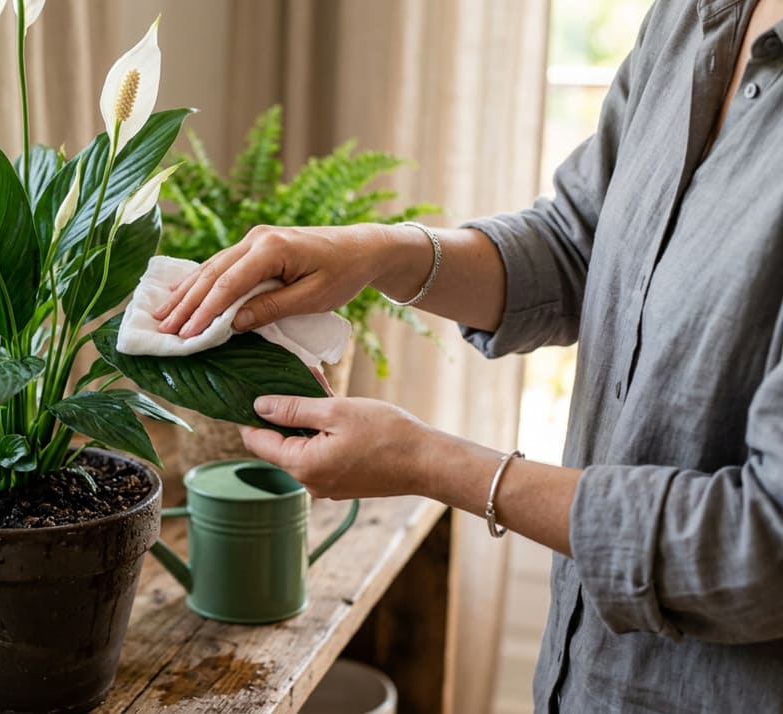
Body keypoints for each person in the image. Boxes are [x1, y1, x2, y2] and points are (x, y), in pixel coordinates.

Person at [151, 0, 783, 711]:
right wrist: (381, 250)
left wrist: (434, 465)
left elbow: (762, 544)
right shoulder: (693, 17)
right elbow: (581, 245)